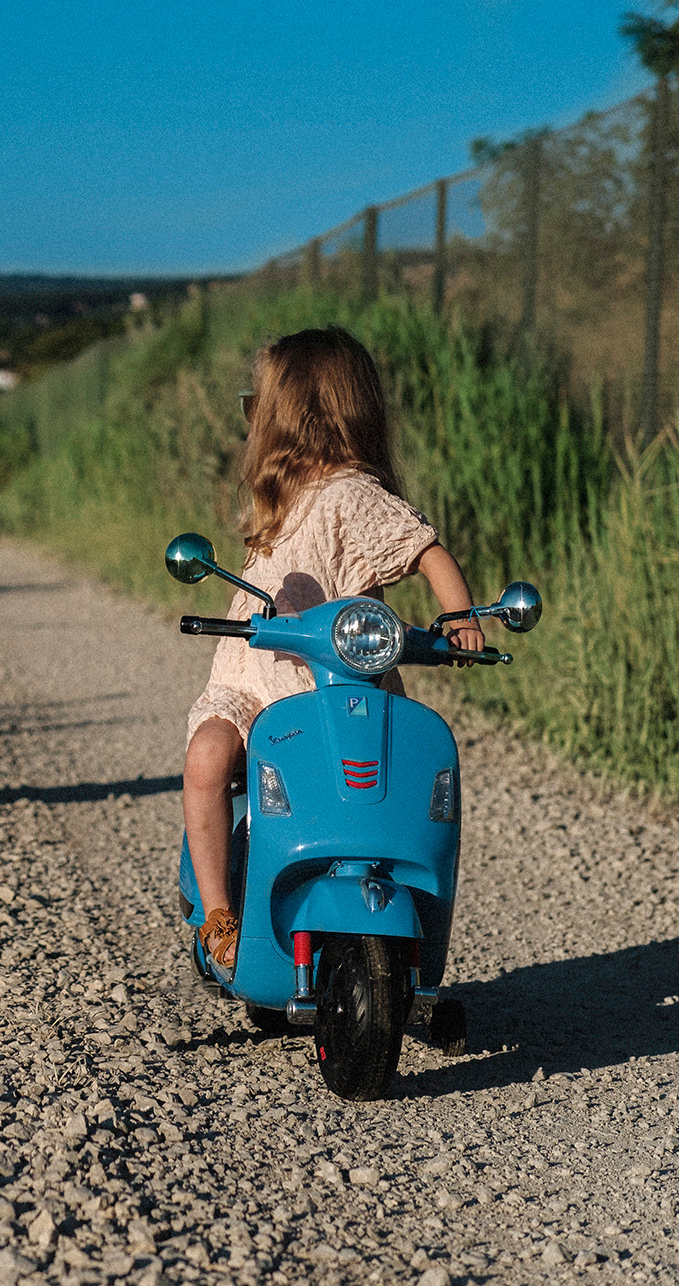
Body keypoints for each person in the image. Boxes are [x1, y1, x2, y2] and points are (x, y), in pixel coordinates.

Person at [182, 326, 483, 978]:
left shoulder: (350, 493)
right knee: (207, 757)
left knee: (369, 793)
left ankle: (367, 901)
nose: (249, 417)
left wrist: (459, 617)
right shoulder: (280, 497)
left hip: (330, 687)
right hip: (249, 680)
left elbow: (424, 549)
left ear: (293, 416)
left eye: (254, 404)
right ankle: (217, 914)